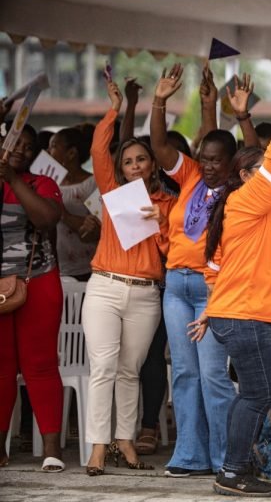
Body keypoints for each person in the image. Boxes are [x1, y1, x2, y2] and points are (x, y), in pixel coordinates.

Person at [186, 67, 271, 498]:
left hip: (235, 314)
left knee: (252, 392)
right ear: (246, 177)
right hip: (246, 316)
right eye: (262, 173)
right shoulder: (250, 200)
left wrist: (210, 312)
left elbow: (216, 268)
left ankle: (234, 467)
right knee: (259, 392)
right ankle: (233, 471)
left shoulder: (250, 209)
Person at [149, 63, 238, 476]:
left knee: (213, 375)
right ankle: (189, 455)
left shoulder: (240, 193)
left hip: (211, 289)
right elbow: (159, 144)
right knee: (184, 373)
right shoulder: (189, 177)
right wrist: (159, 101)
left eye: (217, 161)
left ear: (233, 163)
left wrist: (223, 111)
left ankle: (224, 459)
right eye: (204, 159)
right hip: (176, 286)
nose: (208, 166)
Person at [82, 80, 174, 476]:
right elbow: (97, 151)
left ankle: (126, 442)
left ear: (152, 164)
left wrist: (162, 224)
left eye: (141, 160)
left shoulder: (166, 202)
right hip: (104, 287)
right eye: (128, 161)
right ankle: (98, 448)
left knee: (129, 372)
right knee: (102, 368)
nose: (135, 166)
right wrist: (114, 110)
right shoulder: (111, 191)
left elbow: (173, 251)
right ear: (121, 168)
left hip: (145, 295)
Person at [0, 123, 65, 472]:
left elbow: (46, 219)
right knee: (1, 368)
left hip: (37, 280)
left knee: (39, 365)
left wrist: (12, 178)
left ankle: (51, 449)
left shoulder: (42, 184)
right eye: (16, 144)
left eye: (29, 147)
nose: (23, 151)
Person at [50, 127, 100, 281]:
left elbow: (99, 229)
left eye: (53, 146)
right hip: (54, 268)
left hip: (85, 269)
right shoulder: (47, 183)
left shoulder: (93, 184)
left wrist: (63, 214)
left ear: (71, 153)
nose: (47, 151)